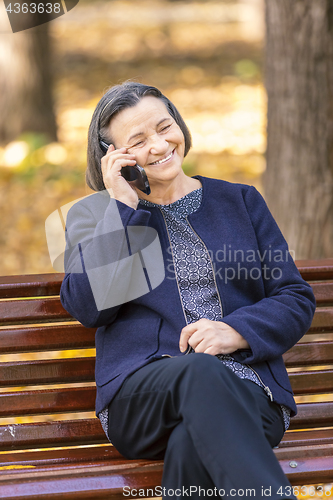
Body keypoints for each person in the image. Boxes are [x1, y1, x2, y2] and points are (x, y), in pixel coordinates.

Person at [60, 81, 316, 500]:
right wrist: (123, 210)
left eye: (165, 126)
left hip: (250, 394)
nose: (160, 145)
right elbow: (89, 307)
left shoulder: (241, 201)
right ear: (114, 158)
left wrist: (237, 331)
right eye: (139, 141)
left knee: (190, 444)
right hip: (141, 399)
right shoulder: (94, 218)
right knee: (200, 370)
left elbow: (294, 296)